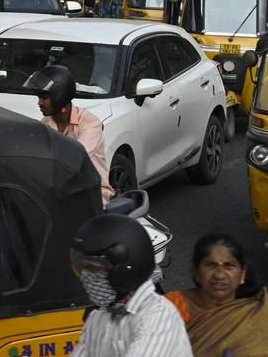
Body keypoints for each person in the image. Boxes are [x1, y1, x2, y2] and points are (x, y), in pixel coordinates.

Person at [71, 214, 190, 356]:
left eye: (94, 268)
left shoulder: (158, 316)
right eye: (84, 267)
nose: (86, 276)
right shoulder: (97, 319)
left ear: (125, 268)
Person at [163, 232, 268, 355]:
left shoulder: (262, 314)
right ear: (196, 273)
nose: (219, 275)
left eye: (229, 266)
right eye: (210, 265)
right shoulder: (171, 306)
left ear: (242, 274)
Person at [27, 66, 113, 205]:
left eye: (44, 97)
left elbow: (76, 158)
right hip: (59, 191)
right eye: (39, 97)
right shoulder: (45, 124)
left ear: (60, 96)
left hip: (91, 192)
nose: (40, 102)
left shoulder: (90, 123)